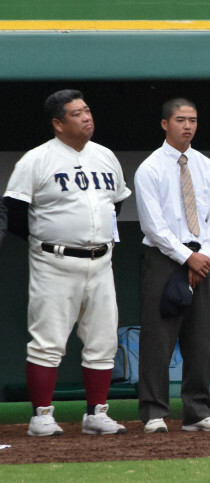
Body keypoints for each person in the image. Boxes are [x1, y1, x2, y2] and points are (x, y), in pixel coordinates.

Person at [2, 89, 129, 436]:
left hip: (101, 261)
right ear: (58, 123)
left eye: (87, 110)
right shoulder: (37, 159)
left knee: (103, 340)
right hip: (54, 261)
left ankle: (96, 414)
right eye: (77, 113)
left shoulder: (105, 156)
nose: (86, 117)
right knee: (48, 341)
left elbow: (116, 205)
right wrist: (48, 238)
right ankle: (42, 416)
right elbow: (14, 212)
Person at [134, 98, 210, 433]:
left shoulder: (207, 167)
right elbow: (152, 226)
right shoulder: (151, 168)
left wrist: (203, 256)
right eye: (180, 120)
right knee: (158, 337)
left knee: (199, 337)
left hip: (202, 256)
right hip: (165, 257)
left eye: (193, 120)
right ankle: (155, 412)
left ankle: (198, 411)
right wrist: (186, 257)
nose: (187, 126)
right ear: (165, 124)